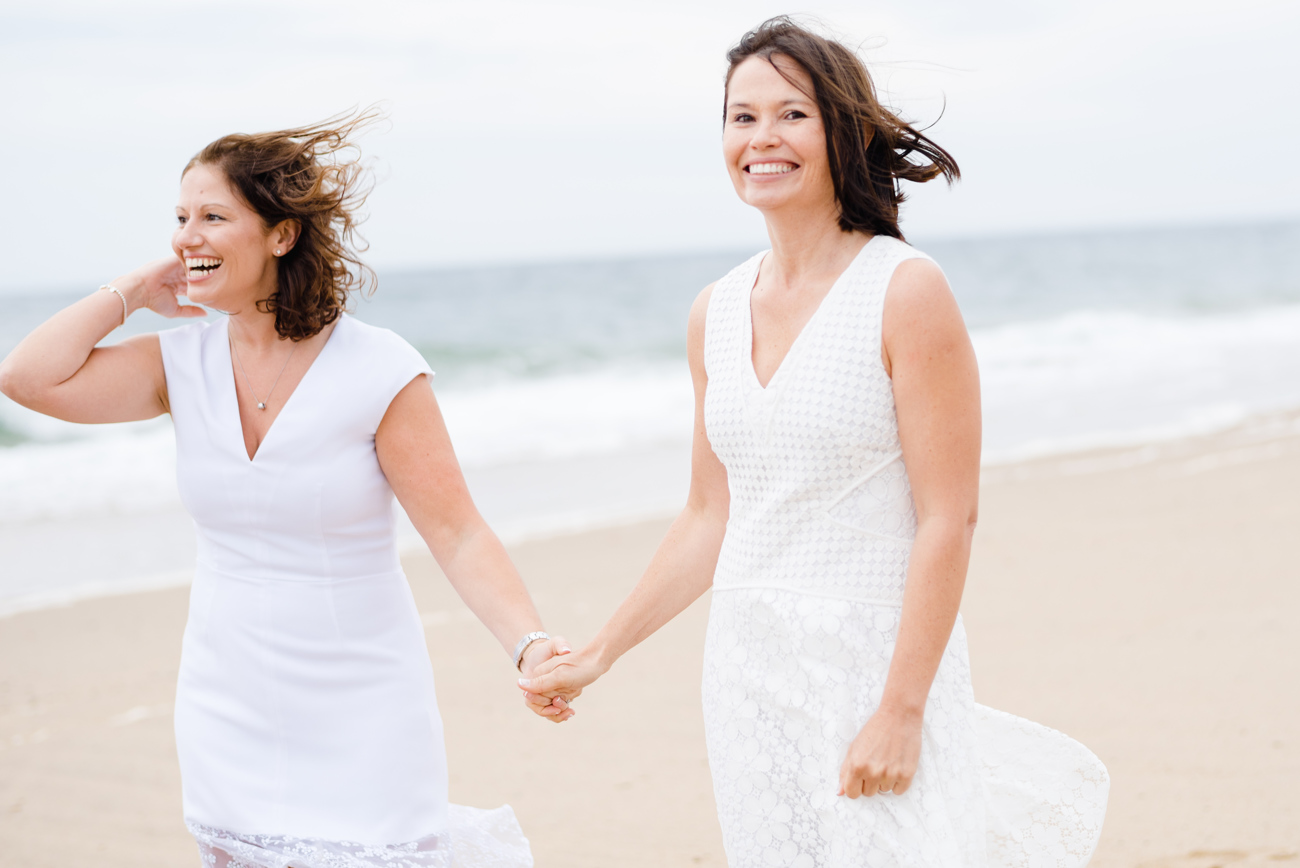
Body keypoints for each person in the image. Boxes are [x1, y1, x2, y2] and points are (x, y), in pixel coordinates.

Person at [519, 17, 1109, 867]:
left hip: (875, 666)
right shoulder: (713, 312)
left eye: (792, 114)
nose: (762, 138)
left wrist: (902, 708)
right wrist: (599, 654)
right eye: (741, 116)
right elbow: (707, 515)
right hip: (749, 673)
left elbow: (950, 518)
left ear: (844, 130)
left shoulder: (905, 291)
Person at [0, 113, 566, 867]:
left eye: (212, 217)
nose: (186, 237)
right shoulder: (181, 362)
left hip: (362, 705)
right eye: (179, 219)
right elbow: (27, 378)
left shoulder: (378, 368)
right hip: (225, 699)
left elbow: (457, 533)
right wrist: (134, 289)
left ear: (280, 235)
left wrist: (528, 645)